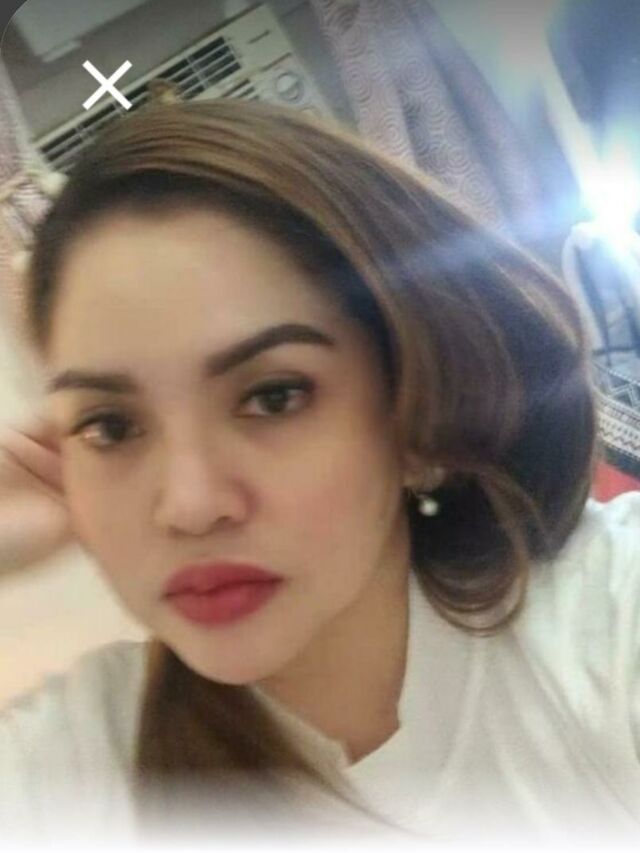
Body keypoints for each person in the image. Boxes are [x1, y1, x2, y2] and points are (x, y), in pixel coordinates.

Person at [0, 99, 638, 848]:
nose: (191, 505)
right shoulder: (76, 765)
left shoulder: (604, 627)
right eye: (110, 426)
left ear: (415, 417)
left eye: (274, 397)